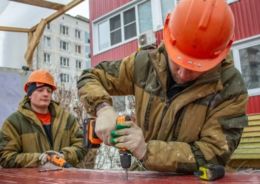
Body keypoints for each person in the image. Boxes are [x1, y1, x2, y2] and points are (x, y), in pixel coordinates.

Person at [77, 0, 248, 172]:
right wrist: (102, 108)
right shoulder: (144, 64)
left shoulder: (229, 88)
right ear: (169, 39)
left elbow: (213, 152)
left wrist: (146, 151)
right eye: (177, 61)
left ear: (218, 56)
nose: (182, 74)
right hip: (146, 174)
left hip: (195, 178)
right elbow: (90, 76)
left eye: (194, 68)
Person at [0, 69, 86, 168]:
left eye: (49, 91)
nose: (46, 94)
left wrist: (63, 156)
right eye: (40, 90)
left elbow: (81, 144)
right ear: (30, 94)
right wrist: (39, 159)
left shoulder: (67, 119)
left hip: (63, 180)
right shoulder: (14, 122)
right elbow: (5, 157)